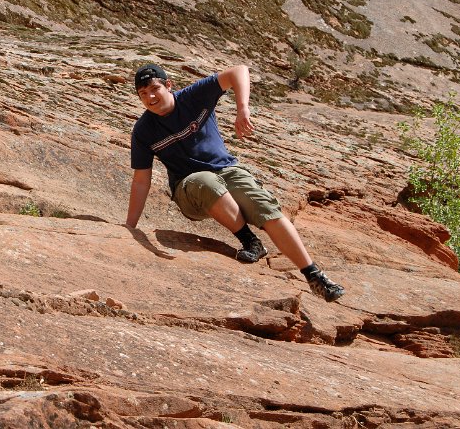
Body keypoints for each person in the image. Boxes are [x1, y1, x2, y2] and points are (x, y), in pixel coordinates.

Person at [125, 63, 345, 302]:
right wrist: (130, 227)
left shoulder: (193, 96)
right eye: (143, 94)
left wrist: (242, 109)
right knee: (205, 181)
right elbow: (141, 181)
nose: (150, 97)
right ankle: (249, 240)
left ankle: (314, 275)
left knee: (265, 207)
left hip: (226, 170)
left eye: (154, 89)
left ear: (169, 85)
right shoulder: (143, 131)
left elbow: (238, 71)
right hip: (188, 189)